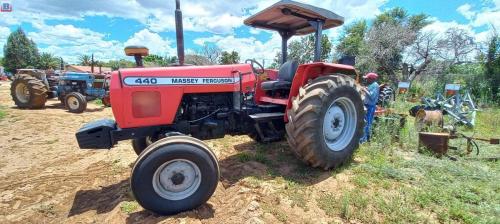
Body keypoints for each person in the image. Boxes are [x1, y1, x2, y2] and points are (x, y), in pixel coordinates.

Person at [360, 72, 379, 143]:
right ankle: (366, 139)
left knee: (367, 123)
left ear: (372, 79)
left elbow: (372, 96)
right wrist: (367, 88)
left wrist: (364, 90)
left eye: (367, 78)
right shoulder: (372, 85)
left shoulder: (375, 85)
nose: (366, 80)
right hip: (368, 106)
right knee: (366, 122)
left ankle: (363, 140)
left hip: (370, 107)